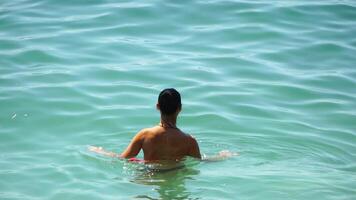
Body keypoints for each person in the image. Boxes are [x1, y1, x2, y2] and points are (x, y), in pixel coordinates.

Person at [89, 88, 201, 162]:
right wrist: (218, 157)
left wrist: (100, 151)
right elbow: (201, 162)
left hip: (149, 178)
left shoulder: (145, 135)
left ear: (157, 106)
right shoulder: (189, 141)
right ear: (180, 108)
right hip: (175, 177)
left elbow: (122, 159)